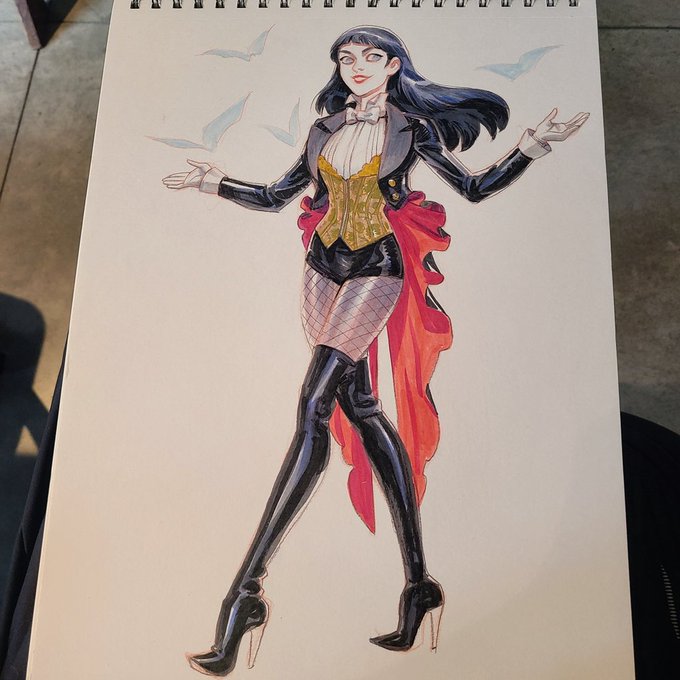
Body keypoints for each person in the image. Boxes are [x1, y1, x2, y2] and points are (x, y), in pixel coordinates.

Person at [163, 25, 588, 677]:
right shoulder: (325, 129)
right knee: (360, 409)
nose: (355, 66)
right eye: (346, 57)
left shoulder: (412, 130)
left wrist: (531, 147)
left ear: (393, 65)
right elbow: (277, 196)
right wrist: (214, 182)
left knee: (313, 409)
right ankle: (419, 584)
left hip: (375, 269)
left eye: (370, 57)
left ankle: (243, 595)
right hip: (321, 269)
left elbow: (474, 188)